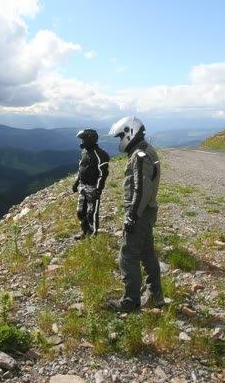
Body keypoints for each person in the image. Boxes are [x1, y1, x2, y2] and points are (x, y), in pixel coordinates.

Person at [107, 116, 163, 312]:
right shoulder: (146, 150)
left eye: (120, 136)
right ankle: (156, 295)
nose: (119, 140)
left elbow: (141, 189)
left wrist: (132, 215)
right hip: (146, 212)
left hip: (140, 213)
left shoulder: (139, 155)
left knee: (128, 255)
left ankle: (130, 301)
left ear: (129, 132)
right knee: (147, 254)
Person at [71, 129, 110, 239]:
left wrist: (98, 189)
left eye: (83, 139)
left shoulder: (101, 154)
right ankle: (85, 232)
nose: (81, 142)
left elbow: (103, 174)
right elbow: (81, 169)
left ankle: (94, 236)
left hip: (93, 188)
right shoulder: (84, 152)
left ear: (90, 139)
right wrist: (76, 183)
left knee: (91, 213)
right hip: (82, 187)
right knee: (80, 212)